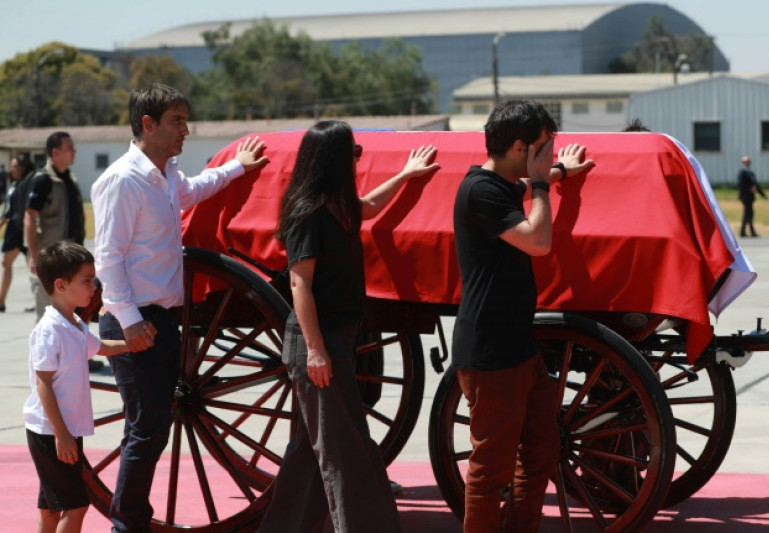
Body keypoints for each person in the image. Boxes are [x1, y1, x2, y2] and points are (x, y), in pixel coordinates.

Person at [91, 82, 268, 533]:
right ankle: (127, 526)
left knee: (154, 427)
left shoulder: (166, 174)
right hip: (134, 321)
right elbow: (107, 258)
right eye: (176, 121)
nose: (184, 131)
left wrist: (235, 169)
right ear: (147, 124)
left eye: (185, 121)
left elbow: (194, 190)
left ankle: (130, 521)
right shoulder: (121, 181)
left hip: (164, 319)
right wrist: (129, 323)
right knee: (147, 430)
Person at [258, 120, 438, 532]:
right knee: (346, 451)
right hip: (315, 344)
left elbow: (370, 206)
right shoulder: (308, 214)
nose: (357, 160)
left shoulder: (339, 205)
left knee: (309, 451)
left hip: (333, 338)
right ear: (334, 160)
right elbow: (300, 285)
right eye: (353, 154)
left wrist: (406, 175)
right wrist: (317, 349)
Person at [452, 99, 594, 533]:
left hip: (519, 349)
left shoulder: (503, 182)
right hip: (491, 353)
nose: (552, 152)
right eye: (546, 145)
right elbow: (537, 242)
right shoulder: (481, 190)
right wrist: (542, 185)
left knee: (540, 453)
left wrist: (561, 172)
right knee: (489, 471)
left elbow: (530, 185)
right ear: (520, 149)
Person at [23, 241, 136, 533]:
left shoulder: (73, 323)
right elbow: (43, 383)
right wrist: (62, 435)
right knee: (75, 506)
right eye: (86, 281)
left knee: (50, 509)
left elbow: (100, 347)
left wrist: (132, 344)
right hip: (52, 432)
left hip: (62, 431)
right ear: (61, 285)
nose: (93, 288)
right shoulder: (50, 331)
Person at [24, 132, 85, 321]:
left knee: (69, 320)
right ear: (55, 152)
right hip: (48, 261)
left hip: (70, 260)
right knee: (47, 320)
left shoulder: (70, 179)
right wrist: (34, 257)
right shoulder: (43, 180)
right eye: (69, 148)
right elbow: (30, 217)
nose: (74, 152)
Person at [1, 154, 35, 312]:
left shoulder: (28, 183)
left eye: (14, 166)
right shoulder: (15, 185)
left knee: (31, 265)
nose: (11, 169)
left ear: (23, 168)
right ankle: (1, 301)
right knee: (8, 264)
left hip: (20, 229)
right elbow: (8, 209)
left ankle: (40, 300)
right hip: (15, 228)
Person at [736, 155, 767, 237]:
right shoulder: (742, 173)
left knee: (750, 214)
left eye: (749, 162)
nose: (748, 163)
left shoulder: (751, 173)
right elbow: (740, 185)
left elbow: (756, 185)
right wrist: (749, 189)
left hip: (750, 197)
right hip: (745, 196)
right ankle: (744, 231)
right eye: (746, 162)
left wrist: (763, 195)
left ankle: (749, 231)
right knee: (747, 213)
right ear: (743, 163)